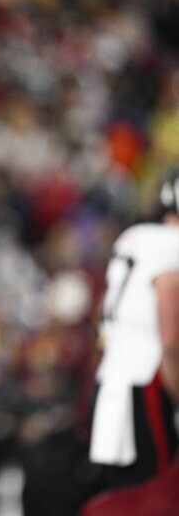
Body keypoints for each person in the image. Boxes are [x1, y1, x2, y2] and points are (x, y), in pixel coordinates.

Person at [81, 170, 179, 514]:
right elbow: (170, 338)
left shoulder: (134, 237)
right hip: (149, 380)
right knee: (158, 494)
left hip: (111, 380)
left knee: (122, 495)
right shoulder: (171, 246)